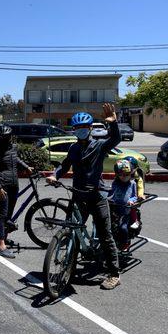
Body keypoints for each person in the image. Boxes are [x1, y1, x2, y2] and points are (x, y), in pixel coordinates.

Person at [46, 104, 122, 290]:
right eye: (78, 128)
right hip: (78, 196)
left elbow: (116, 139)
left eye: (84, 128)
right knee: (72, 232)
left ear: (90, 129)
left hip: (97, 196)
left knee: (105, 235)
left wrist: (113, 124)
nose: (81, 131)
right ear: (75, 130)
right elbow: (64, 165)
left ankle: (114, 274)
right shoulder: (73, 149)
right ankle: (69, 267)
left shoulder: (99, 145)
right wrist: (56, 175)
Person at [0, 125, 33, 259]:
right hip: (3, 186)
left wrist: (26, 167)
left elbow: (15, 159)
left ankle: (4, 237)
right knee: (3, 215)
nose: (6, 139)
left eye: (8, 137)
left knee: (8, 214)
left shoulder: (13, 148)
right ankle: (1, 245)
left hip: (14, 184)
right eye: (3, 137)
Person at [108, 160, 138, 251]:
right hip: (114, 209)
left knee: (123, 227)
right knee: (107, 226)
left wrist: (131, 200)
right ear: (117, 174)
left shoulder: (132, 184)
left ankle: (125, 243)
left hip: (125, 212)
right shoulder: (115, 183)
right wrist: (107, 198)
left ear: (131, 174)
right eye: (121, 174)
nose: (124, 177)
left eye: (127, 174)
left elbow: (134, 196)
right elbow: (111, 194)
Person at [123, 155, 144, 231]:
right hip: (122, 194)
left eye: (131, 167)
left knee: (132, 206)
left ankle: (135, 221)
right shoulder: (121, 174)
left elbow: (140, 186)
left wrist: (140, 194)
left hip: (132, 195)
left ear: (135, 168)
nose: (129, 169)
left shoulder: (137, 178)